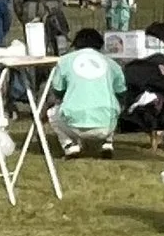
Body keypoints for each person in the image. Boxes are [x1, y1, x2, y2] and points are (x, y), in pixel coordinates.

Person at [48, 28, 125, 158]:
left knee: (52, 114)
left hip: (75, 123)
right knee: (114, 103)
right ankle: (107, 142)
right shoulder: (112, 64)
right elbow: (121, 92)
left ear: (76, 44)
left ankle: (70, 146)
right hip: (107, 123)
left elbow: (58, 90)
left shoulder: (64, 60)